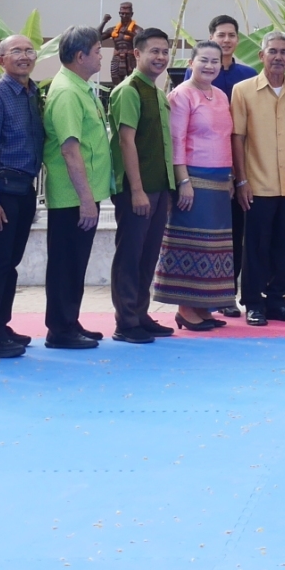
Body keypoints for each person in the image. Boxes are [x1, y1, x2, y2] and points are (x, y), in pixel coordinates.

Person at [152, 40, 240, 330]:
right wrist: (183, 181)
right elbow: (175, 141)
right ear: (191, 63)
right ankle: (185, 308)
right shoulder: (182, 95)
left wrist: (230, 177)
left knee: (213, 246)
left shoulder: (221, 95)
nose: (209, 66)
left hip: (219, 181)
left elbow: (225, 138)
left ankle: (204, 305)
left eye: (215, 61)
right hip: (193, 179)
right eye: (203, 60)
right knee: (191, 243)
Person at [230, 30, 285, 326]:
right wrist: (241, 181)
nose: (278, 57)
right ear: (261, 55)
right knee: (255, 246)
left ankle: (278, 300)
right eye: (273, 51)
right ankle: (253, 302)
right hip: (257, 183)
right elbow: (237, 137)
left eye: (283, 52)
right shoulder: (243, 90)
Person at [0, 33, 42, 359]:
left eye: (29, 50)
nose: (24, 56)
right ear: (1, 60)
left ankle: (1, 325)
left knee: (10, 263)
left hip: (24, 190)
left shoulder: (32, 93)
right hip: (2, 191)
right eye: (16, 51)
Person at [40, 25, 109, 350]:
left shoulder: (80, 87)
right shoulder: (67, 92)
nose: (101, 57)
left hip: (81, 195)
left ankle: (70, 320)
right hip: (72, 197)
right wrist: (85, 199)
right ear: (80, 56)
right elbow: (70, 149)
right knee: (66, 264)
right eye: (97, 51)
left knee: (75, 263)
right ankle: (60, 329)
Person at [109, 27, 177, 344]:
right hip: (136, 189)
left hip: (159, 188)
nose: (160, 57)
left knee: (148, 255)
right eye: (154, 51)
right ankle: (125, 321)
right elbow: (126, 141)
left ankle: (140, 313)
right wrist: (136, 190)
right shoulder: (129, 90)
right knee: (130, 255)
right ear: (137, 53)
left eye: (164, 52)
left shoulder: (158, 92)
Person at [209, 14, 258, 312]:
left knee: (237, 232)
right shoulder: (200, 72)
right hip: (209, 165)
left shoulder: (248, 74)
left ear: (238, 39)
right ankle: (206, 296)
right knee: (212, 232)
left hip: (243, 163)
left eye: (231, 35)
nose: (226, 40)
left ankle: (229, 294)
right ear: (211, 38)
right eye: (221, 35)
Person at [100, 1, 141, 84]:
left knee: (134, 82)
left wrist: (130, 33)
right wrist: (104, 22)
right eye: (122, 14)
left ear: (131, 14)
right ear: (119, 14)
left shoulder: (136, 29)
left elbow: (142, 40)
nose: (124, 16)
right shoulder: (114, 29)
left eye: (127, 14)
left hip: (131, 58)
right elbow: (97, 37)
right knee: (116, 81)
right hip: (117, 57)